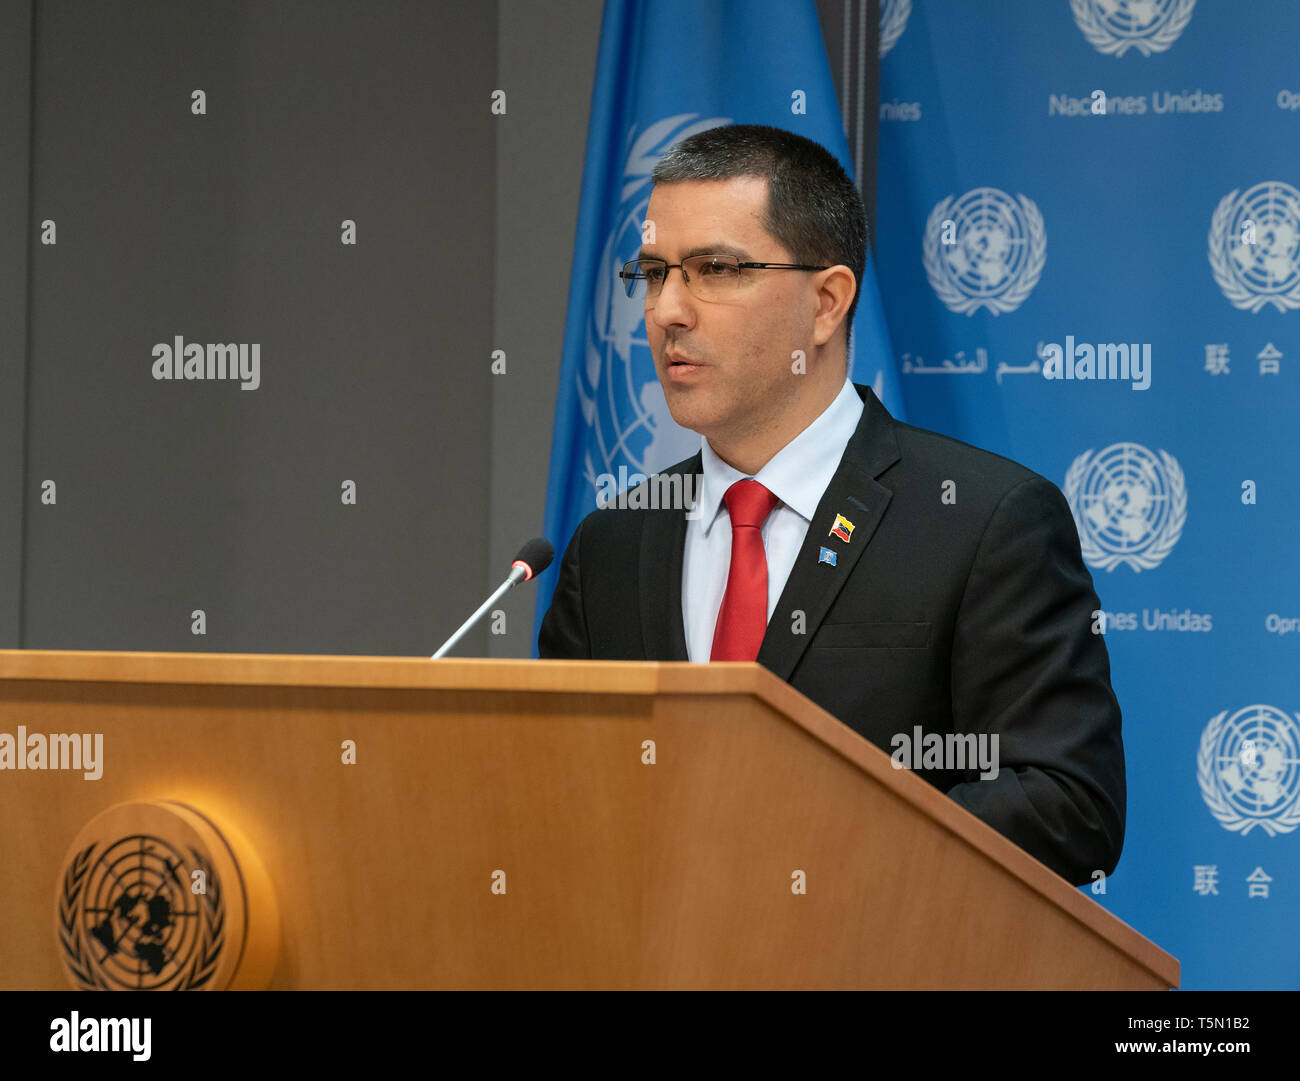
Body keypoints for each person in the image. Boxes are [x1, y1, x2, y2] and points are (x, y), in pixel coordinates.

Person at [538, 123, 1124, 888]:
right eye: (653, 273)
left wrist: (811, 849)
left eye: (713, 268)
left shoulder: (985, 521)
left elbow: (1068, 804)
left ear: (826, 302)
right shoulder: (611, 543)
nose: (665, 311)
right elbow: (560, 795)